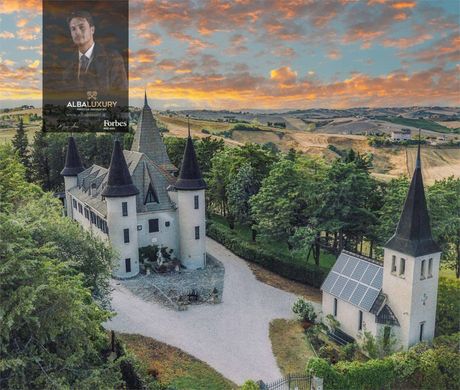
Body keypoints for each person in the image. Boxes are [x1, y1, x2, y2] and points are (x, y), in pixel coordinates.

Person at [62, 10, 128, 97]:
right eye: (73, 29)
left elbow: (121, 97)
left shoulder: (112, 59)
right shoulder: (66, 64)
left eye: (81, 27)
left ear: (92, 29)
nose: (77, 32)